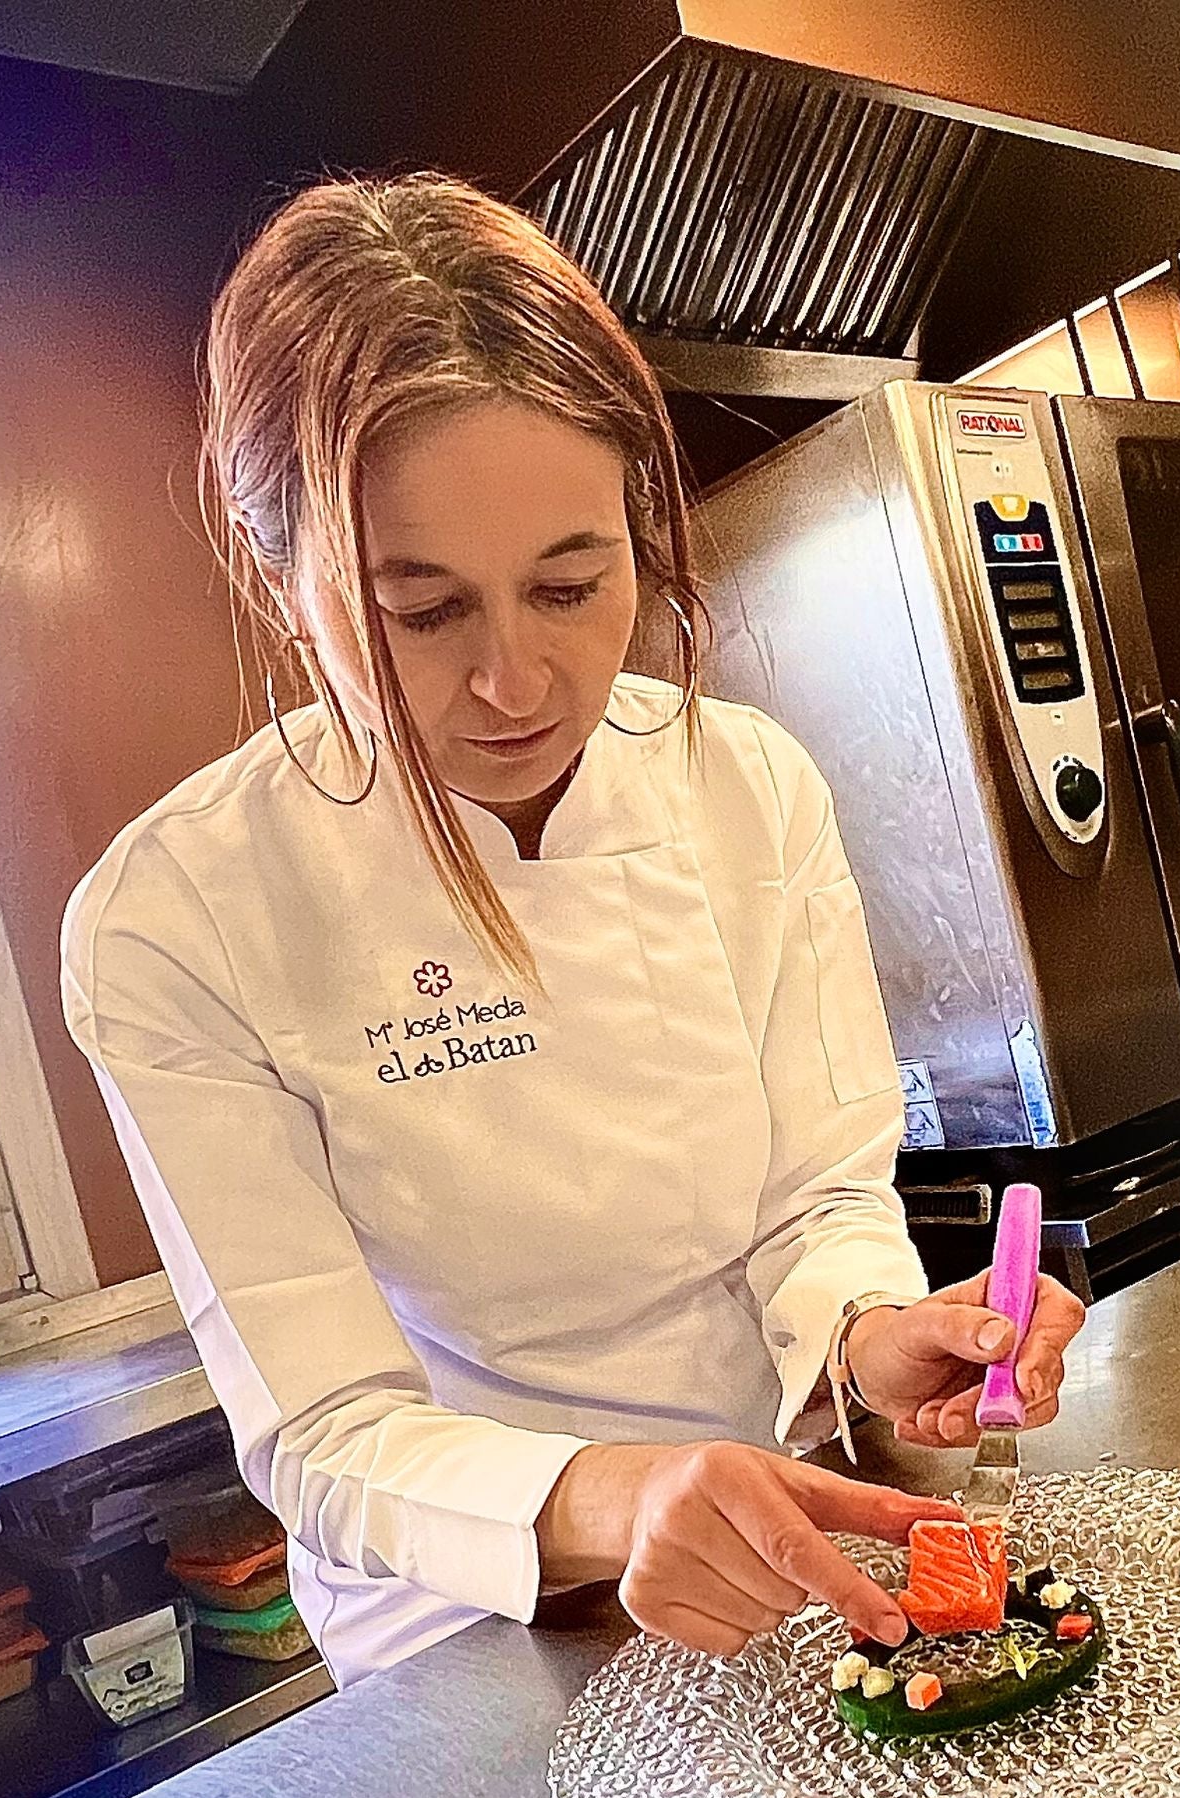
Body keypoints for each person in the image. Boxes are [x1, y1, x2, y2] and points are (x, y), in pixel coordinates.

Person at [60, 173, 1084, 1689]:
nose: (515, 681)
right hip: (463, 1620)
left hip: (783, 1532)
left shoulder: (745, 786)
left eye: (570, 582)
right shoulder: (174, 917)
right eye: (420, 610)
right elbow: (327, 1433)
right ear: (284, 581)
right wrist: (617, 1492)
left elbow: (814, 1193)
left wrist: (870, 1332)